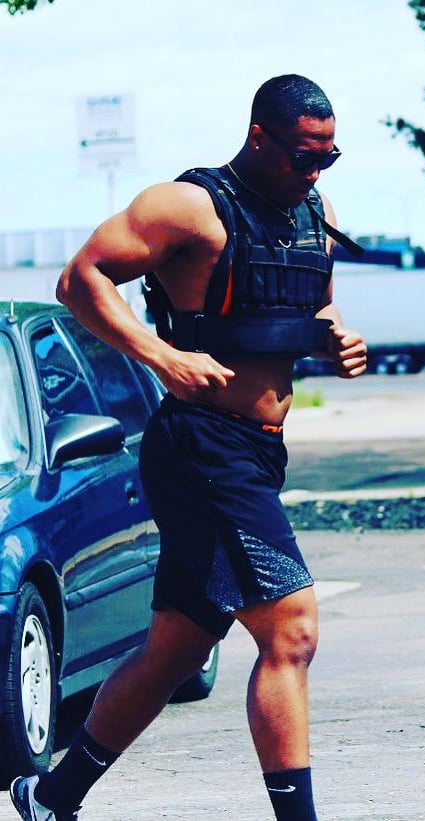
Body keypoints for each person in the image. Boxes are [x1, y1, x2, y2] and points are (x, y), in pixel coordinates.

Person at [10, 74, 366, 821]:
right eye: (304, 155)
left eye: (328, 158)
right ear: (260, 137)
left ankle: (50, 797)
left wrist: (337, 340)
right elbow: (81, 279)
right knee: (291, 628)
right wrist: (161, 357)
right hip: (201, 446)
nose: (315, 171)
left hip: (259, 451)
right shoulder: (188, 207)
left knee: (176, 648)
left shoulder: (314, 213)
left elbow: (318, 305)